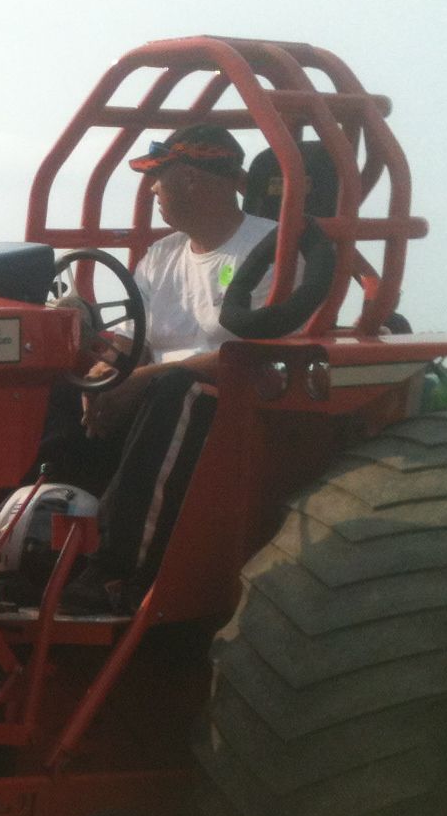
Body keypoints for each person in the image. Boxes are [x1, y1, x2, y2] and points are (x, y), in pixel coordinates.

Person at [42, 123, 276, 611]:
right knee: (59, 387)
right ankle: (41, 545)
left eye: (157, 178)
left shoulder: (269, 247)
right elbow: (128, 342)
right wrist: (103, 381)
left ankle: (117, 571)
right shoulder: (162, 254)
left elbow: (250, 355)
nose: (151, 191)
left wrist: (138, 381)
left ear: (191, 179)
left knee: (176, 390)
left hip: (231, 402)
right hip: (154, 392)